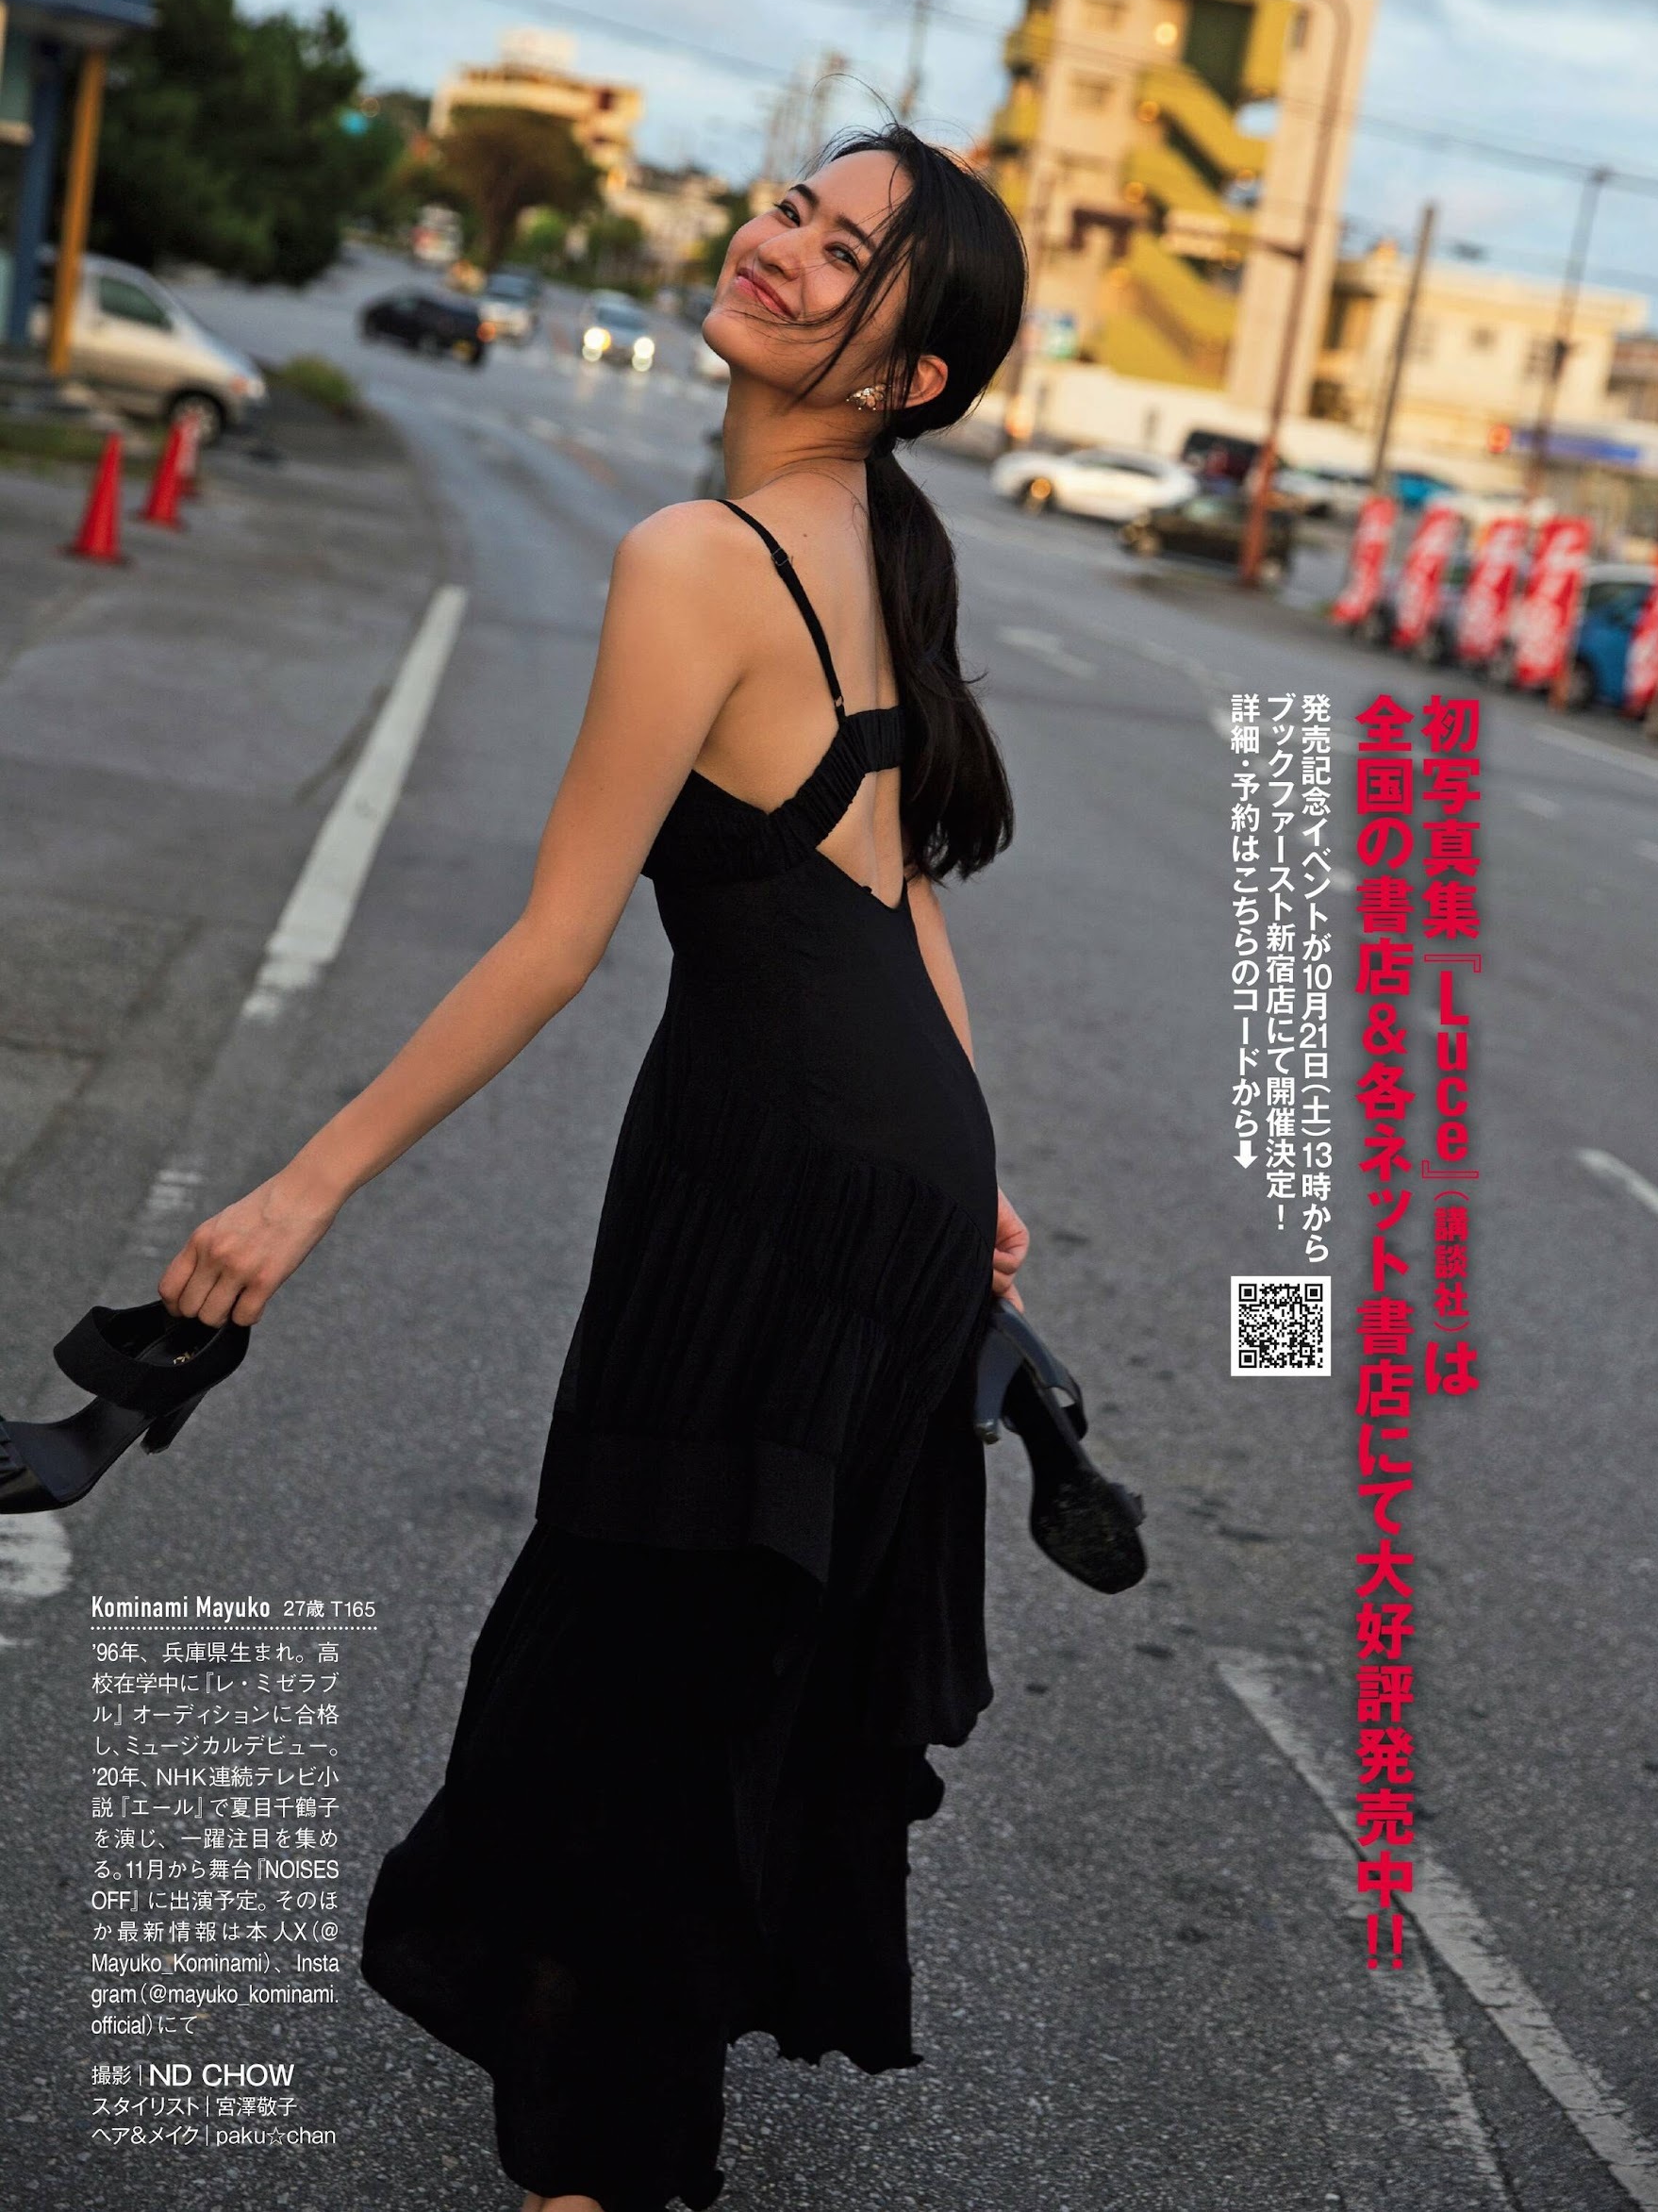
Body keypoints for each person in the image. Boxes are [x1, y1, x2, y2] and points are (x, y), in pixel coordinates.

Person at [159, 123, 1032, 2212]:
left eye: (849, 255)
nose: (784, 248)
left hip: (773, 1192)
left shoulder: (701, 559)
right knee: (706, 1687)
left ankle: (606, 2162)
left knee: (626, 1711)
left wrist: (303, 1187)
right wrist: (977, 1167)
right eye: (796, 207)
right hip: (887, 1176)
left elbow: (556, 941)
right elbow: (902, 881)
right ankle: (620, 2128)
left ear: (909, 374)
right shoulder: (874, 535)